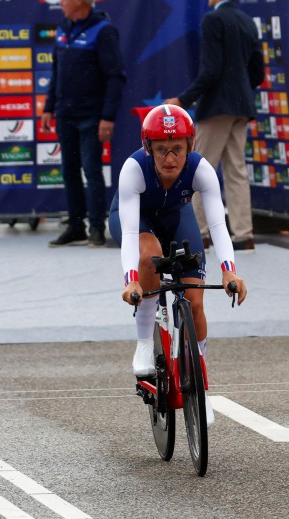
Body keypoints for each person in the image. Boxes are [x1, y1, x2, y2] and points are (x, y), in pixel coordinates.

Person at [109, 104, 247, 427]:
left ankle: (199, 387)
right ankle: (144, 341)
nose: (170, 158)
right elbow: (130, 232)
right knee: (150, 254)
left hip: (177, 220)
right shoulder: (133, 169)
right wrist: (131, 280)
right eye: (161, 150)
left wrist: (230, 270)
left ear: (190, 146)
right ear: (148, 149)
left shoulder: (202, 170)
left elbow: (217, 226)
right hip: (136, 222)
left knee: (195, 302)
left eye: (177, 149)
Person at [164, 0, 264, 253]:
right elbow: (258, 73)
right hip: (241, 105)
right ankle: (244, 234)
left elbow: (211, 70)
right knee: (236, 170)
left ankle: (199, 234)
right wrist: (238, 87)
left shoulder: (212, 19)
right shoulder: (247, 20)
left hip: (218, 106)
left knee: (199, 168)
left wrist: (182, 100)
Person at [41, 0, 126, 248]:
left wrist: (107, 116)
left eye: (65, 0)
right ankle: (76, 227)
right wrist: (48, 107)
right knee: (69, 172)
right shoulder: (63, 28)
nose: (61, 3)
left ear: (80, 2)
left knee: (91, 171)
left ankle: (97, 228)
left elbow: (115, 76)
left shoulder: (103, 29)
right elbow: (56, 72)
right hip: (65, 115)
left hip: (91, 116)